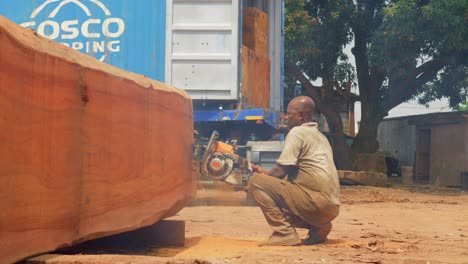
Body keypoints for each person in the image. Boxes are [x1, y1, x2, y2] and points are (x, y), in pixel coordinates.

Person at [248, 96, 340, 246]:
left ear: (301, 115)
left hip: (314, 203)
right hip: (331, 208)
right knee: (274, 185)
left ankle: (284, 233)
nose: (285, 117)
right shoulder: (321, 137)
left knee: (255, 182)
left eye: (289, 114)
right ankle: (319, 226)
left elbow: (282, 170)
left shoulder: (297, 132)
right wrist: (268, 176)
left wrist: (263, 177)